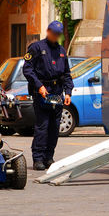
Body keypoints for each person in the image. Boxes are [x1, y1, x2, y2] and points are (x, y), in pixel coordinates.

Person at [22, 21, 74, 170]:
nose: (55, 35)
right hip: (42, 92)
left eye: (58, 34)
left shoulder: (62, 51)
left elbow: (66, 74)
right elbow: (28, 69)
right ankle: (38, 158)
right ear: (48, 31)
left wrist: (68, 92)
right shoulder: (37, 47)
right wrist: (39, 86)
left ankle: (49, 157)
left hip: (57, 92)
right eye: (53, 32)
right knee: (42, 126)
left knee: (54, 126)